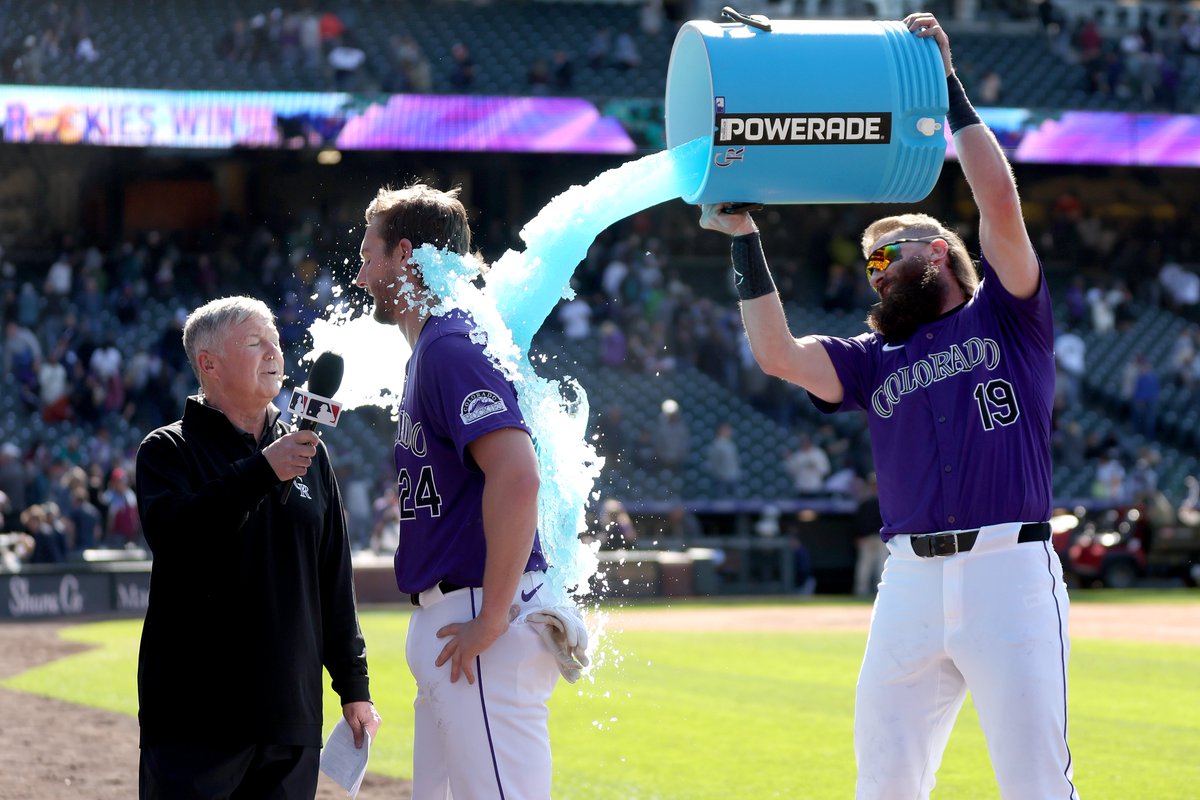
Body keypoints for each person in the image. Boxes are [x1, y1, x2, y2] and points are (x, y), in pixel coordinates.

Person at [699, 13, 1077, 798]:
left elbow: (1000, 199)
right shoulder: (875, 360)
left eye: (887, 251)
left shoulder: (1008, 316)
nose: (874, 270)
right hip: (907, 581)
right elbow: (777, 355)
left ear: (937, 251)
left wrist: (947, 91)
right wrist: (743, 238)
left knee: (1036, 784)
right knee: (884, 785)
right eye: (867, 260)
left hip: (1009, 570)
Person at [355, 183, 573, 799]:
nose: (363, 271)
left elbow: (518, 475)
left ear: (404, 254)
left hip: (479, 620)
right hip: (458, 620)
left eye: (370, 254)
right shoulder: (433, 347)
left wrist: (495, 616)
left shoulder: (450, 344)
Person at [134, 296, 380, 798]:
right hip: (194, 720)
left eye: (275, 341)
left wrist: (354, 687)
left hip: (291, 720)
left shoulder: (311, 453)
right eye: (254, 343)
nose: (274, 352)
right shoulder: (166, 449)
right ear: (209, 364)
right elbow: (179, 538)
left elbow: (332, 576)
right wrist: (261, 471)